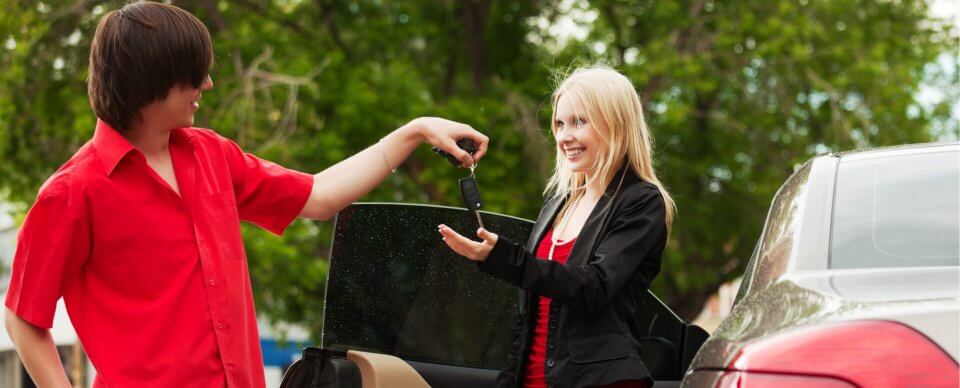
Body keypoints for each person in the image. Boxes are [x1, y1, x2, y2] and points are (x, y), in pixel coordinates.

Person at [2, 2, 487, 387]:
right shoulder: (71, 192)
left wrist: (415, 131)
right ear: (149, 78)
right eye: (194, 76)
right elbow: (23, 318)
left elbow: (318, 197)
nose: (208, 85)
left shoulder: (212, 155)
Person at [439, 65, 676, 388]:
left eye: (580, 122)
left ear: (616, 124)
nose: (565, 136)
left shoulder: (641, 201)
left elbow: (593, 287)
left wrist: (504, 258)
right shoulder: (559, 202)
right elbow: (530, 317)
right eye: (560, 123)